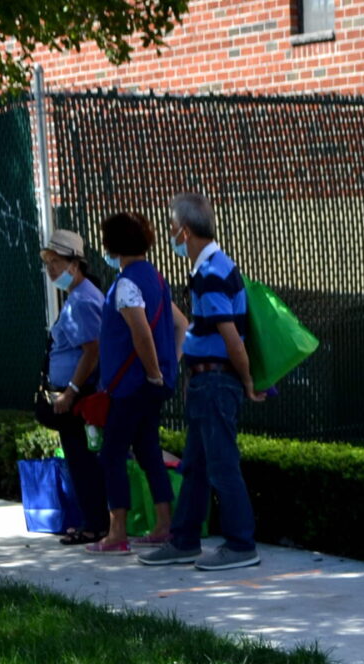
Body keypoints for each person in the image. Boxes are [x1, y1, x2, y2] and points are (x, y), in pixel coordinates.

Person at [138, 192, 260, 572]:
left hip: (215, 383)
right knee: (195, 466)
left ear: (185, 231)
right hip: (208, 382)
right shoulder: (213, 268)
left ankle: (241, 544)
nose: (171, 235)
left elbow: (231, 338)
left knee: (221, 465)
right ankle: (184, 540)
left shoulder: (210, 274)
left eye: (172, 227)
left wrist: (247, 380)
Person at [85, 211, 174, 556]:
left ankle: (117, 532)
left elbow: (141, 332)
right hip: (151, 384)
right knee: (149, 451)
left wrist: (151, 372)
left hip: (131, 386)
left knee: (112, 455)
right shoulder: (157, 278)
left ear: (113, 245)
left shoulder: (125, 285)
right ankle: (164, 524)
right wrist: (165, 369)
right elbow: (179, 325)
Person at [36, 228, 107, 547]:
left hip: (79, 397)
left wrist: (71, 391)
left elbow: (92, 351)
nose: (51, 268)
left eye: (56, 261)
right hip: (77, 394)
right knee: (80, 460)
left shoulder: (82, 300)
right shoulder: (79, 296)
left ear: (75, 264)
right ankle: (92, 521)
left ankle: (95, 525)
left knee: (83, 462)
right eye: (48, 262)